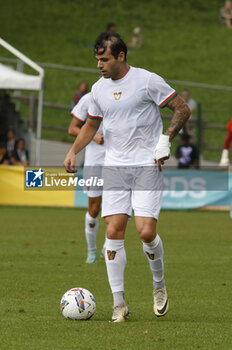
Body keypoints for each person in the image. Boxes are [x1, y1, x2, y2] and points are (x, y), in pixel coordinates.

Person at [64, 32, 191, 323]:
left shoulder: (147, 81)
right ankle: (118, 304)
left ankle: (158, 285)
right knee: (113, 231)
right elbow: (89, 125)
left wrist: (166, 139)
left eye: (105, 59)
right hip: (115, 167)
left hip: (147, 166)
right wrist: (73, 150)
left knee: (146, 233)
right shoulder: (97, 90)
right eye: (97, 59)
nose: (100, 65)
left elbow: (182, 109)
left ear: (121, 56)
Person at [69, 92, 105, 263]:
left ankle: (109, 246)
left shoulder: (126, 96)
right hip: (95, 162)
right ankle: (92, 251)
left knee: (119, 209)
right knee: (95, 208)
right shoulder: (90, 98)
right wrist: (94, 136)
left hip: (120, 160)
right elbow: (73, 128)